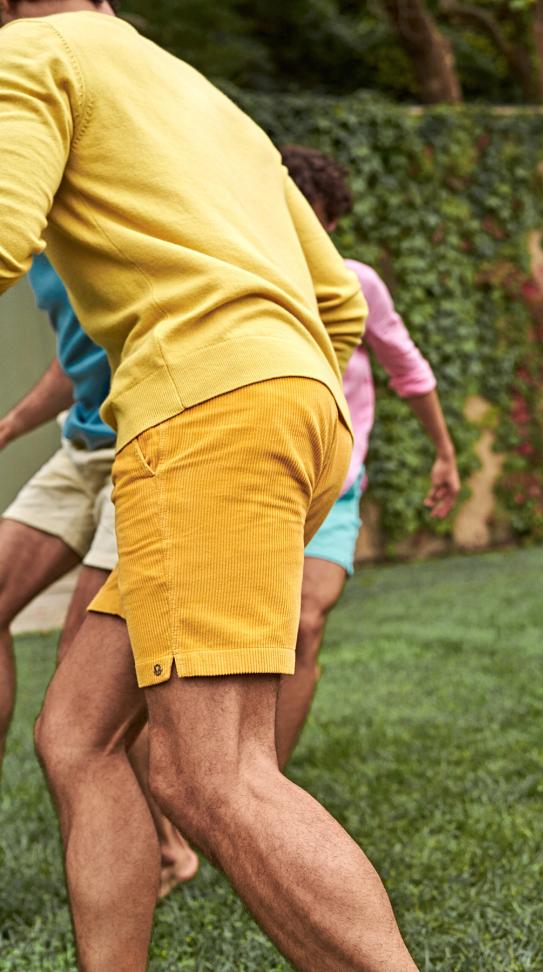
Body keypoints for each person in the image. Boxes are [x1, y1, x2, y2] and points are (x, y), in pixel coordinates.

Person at [0, 3, 417, 970]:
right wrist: (271, 385)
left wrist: (218, 388)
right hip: (289, 406)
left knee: (211, 774)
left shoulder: (29, 53)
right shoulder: (202, 94)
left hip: (203, 419)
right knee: (78, 735)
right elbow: (338, 303)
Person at [0, 251, 198, 897]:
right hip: (80, 444)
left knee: (86, 679)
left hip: (146, 441)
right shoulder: (38, 243)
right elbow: (73, 360)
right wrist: (8, 426)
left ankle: (168, 848)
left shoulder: (117, 203)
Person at [275, 146, 461, 767]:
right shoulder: (246, 277)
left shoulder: (357, 284)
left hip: (332, 486)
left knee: (304, 626)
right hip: (258, 479)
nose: (315, 234)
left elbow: (408, 369)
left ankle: (265, 787)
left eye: (324, 221)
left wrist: (443, 454)